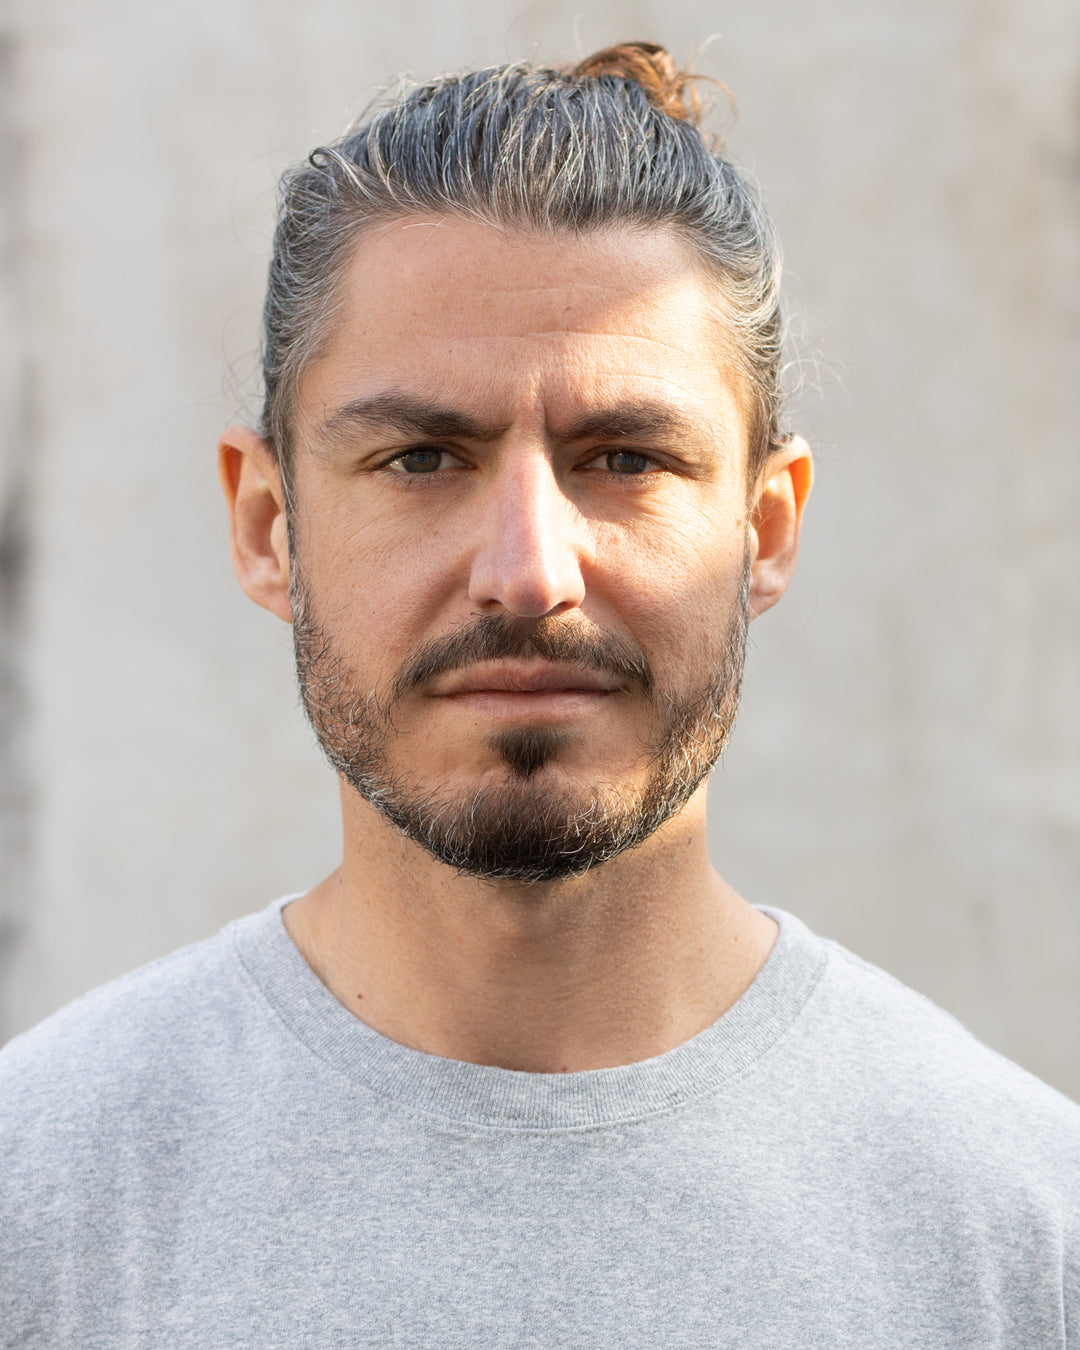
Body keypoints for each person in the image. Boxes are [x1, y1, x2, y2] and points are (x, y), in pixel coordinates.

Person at [1, 41, 1077, 1348]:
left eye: (624, 457)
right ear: (268, 523)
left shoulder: (1023, 1234)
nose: (527, 572)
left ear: (768, 527)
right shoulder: (37, 1198)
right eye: (420, 459)